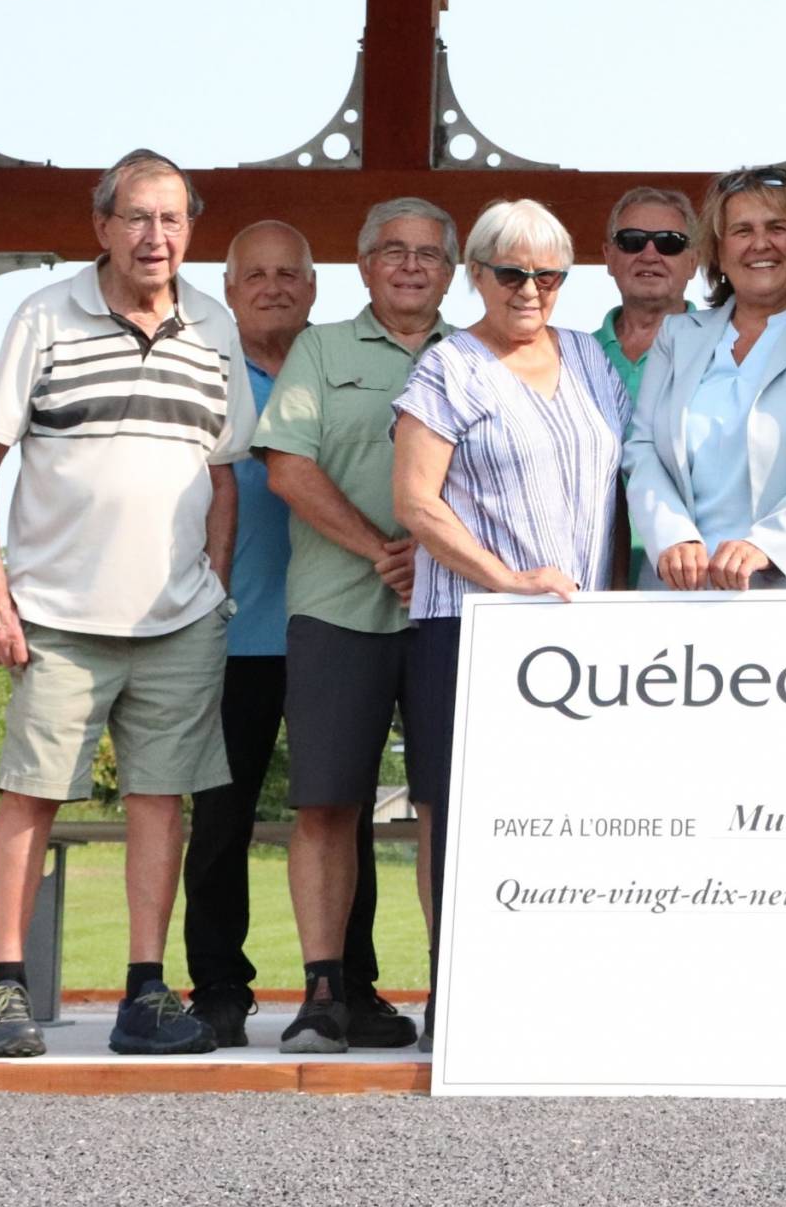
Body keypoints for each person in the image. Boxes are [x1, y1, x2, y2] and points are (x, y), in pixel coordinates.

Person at [0, 150, 252, 1059]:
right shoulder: (44, 315)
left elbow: (223, 472)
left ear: (189, 230)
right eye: (135, 217)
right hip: (54, 615)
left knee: (161, 803)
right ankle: (6, 992)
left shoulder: (215, 324)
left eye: (170, 219)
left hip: (179, 621)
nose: (153, 236)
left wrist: (215, 588)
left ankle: (144, 995)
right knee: (29, 797)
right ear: (101, 226)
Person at [393, 198, 627, 1045]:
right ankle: (454, 999)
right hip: (472, 628)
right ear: (476, 276)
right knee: (459, 816)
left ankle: (554, 995)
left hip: (580, 638)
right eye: (510, 271)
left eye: (548, 274)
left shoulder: (592, 363)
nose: (529, 289)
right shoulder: (447, 368)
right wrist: (506, 580)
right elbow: (415, 501)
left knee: (569, 814)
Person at [250, 199, 458, 1053]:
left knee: (449, 806)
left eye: (428, 254)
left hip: (451, 612)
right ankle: (324, 992)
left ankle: (459, 987)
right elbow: (287, 468)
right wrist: (382, 549)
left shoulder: (477, 351)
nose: (411, 265)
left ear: (450, 270)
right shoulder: (321, 347)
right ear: (365, 266)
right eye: (392, 251)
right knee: (327, 803)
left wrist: (440, 557)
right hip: (338, 606)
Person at [179, 219, 394, 1050]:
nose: (273, 285)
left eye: (289, 274)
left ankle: (355, 986)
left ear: (314, 286)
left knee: (343, 818)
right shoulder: (203, 368)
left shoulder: (334, 365)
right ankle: (219, 990)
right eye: (255, 274)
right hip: (225, 633)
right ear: (228, 287)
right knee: (220, 822)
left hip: (329, 621)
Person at [627, 169, 786, 592]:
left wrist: (767, 545)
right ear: (717, 252)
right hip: (684, 594)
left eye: (778, 228)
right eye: (742, 230)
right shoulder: (678, 336)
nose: (761, 244)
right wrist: (673, 536)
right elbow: (643, 446)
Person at [593, 186, 700, 586]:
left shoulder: (729, 353)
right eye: (632, 241)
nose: (650, 254)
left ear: (694, 260)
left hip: (692, 573)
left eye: (670, 244)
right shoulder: (566, 358)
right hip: (585, 576)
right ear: (608, 257)